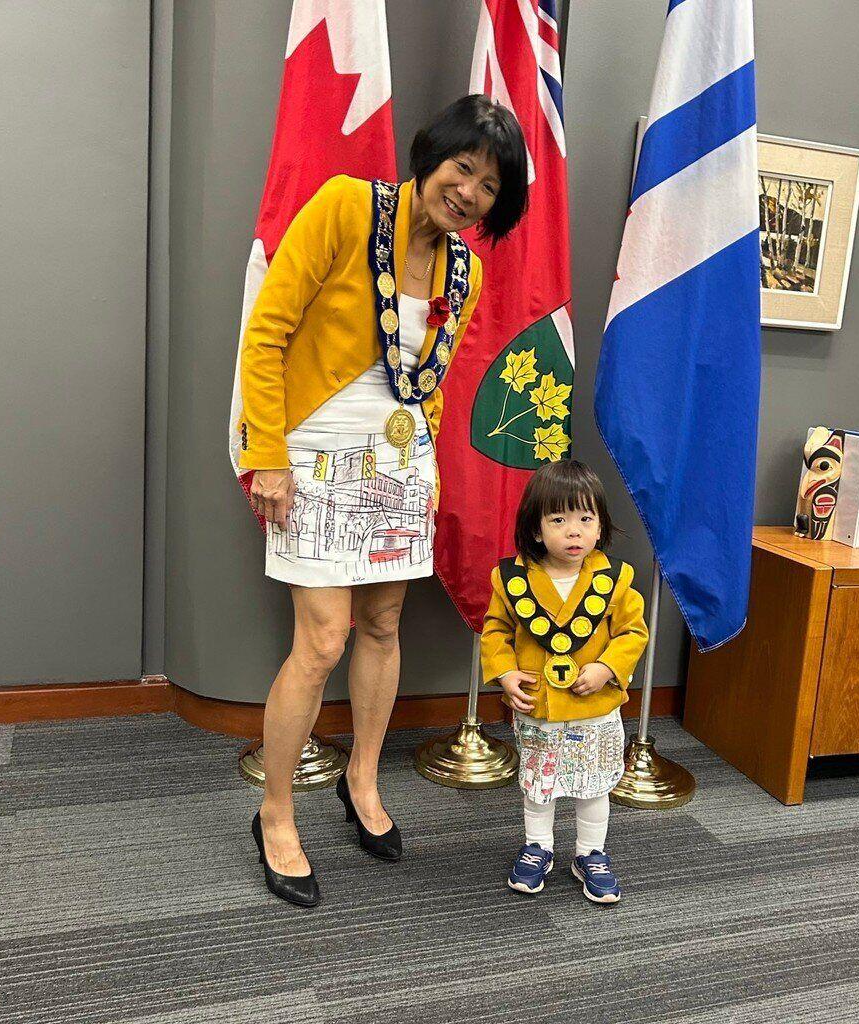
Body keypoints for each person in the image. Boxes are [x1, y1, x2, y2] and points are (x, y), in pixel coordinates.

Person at [238, 95, 529, 908]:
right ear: (430, 156)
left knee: (384, 623)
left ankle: (362, 781)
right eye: (462, 167)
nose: (468, 191)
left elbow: (427, 388)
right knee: (322, 639)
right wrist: (266, 456)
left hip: (399, 462)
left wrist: (428, 470)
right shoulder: (345, 207)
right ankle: (275, 810)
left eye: (489, 186)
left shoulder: (464, 269)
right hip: (311, 450)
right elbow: (266, 335)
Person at [480, 461, 649, 904]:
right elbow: (496, 630)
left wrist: (607, 668)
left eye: (585, 519)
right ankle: (538, 845)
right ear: (536, 530)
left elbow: (633, 633)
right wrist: (504, 672)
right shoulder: (512, 581)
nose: (573, 531)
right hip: (540, 708)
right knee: (539, 783)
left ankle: (591, 853)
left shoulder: (616, 581)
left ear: (599, 528)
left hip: (593, 709)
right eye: (558, 519)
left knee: (593, 786)